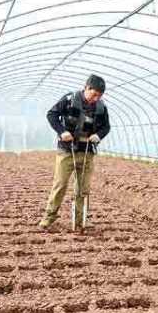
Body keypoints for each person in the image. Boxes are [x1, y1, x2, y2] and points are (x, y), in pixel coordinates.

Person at [38, 74, 111, 230]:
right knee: (60, 185)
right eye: (94, 94)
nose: (96, 98)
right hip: (67, 151)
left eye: (99, 96)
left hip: (87, 152)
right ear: (86, 88)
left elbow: (106, 127)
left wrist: (98, 135)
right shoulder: (69, 100)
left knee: (83, 189)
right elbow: (51, 115)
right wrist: (61, 131)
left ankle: (80, 220)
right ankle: (49, 217)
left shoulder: (101, 107)